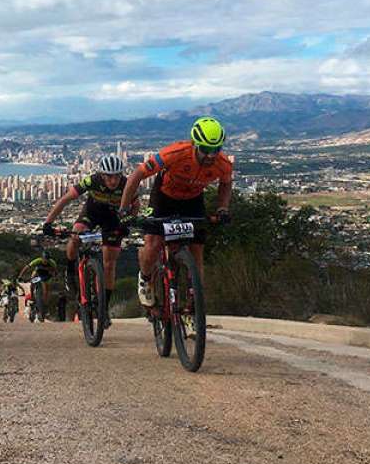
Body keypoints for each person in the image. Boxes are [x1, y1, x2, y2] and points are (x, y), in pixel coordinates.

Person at [119, 116, 233, 308]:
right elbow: (137, 175)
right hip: (164, 197)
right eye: (205, 149)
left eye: (216, 149)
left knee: (197, 250)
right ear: (195, 144)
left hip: (192, 200)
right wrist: (124, 209)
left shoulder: (223, 163)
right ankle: (146, 278)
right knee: (153, 243)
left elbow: (226, 183)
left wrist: (222, 208)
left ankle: (194, 303)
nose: (211, 156)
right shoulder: (176, 153)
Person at [42, 153, 129, 321]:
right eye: (109, 177)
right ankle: (70, 268)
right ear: (102, 175)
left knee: (109, 263)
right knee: (76, 235)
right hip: (92, 213)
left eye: (117, 176)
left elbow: (135, 206)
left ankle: (104, 307)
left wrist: (126, 223)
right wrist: (48, 223)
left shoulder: (127, 184)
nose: (113, 181)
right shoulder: (91, 181)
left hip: (113, 219)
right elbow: (65, 199)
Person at [18, 252, 59, 317]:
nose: (45, 261)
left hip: (47, 275)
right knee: (32, 281)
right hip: (37, 274)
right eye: (44, 259)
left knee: (46, 290)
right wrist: (20, 276)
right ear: (42, 258)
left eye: (47, 259)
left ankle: (45, 306)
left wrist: (56, 277)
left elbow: (56, 271)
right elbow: (27, 267)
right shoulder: (37, 260)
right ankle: (32, 295)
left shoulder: (52, 263)